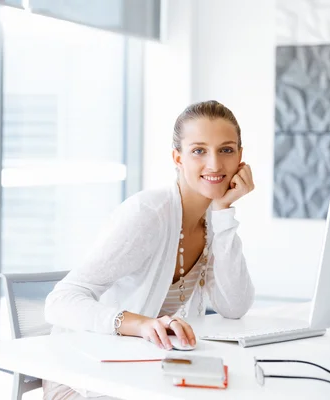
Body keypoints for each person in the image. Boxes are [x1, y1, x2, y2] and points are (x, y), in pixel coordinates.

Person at [42, 100, 256, 399]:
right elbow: (60, 301)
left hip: (149, 375)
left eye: (226, 150)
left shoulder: (212, 219)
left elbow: (234, 308)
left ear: (240, 158)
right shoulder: (148, 214)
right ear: (177, 157)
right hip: (86, 377)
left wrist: (223, 212)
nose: (215, 164)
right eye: (198, 150)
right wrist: (140, 324)